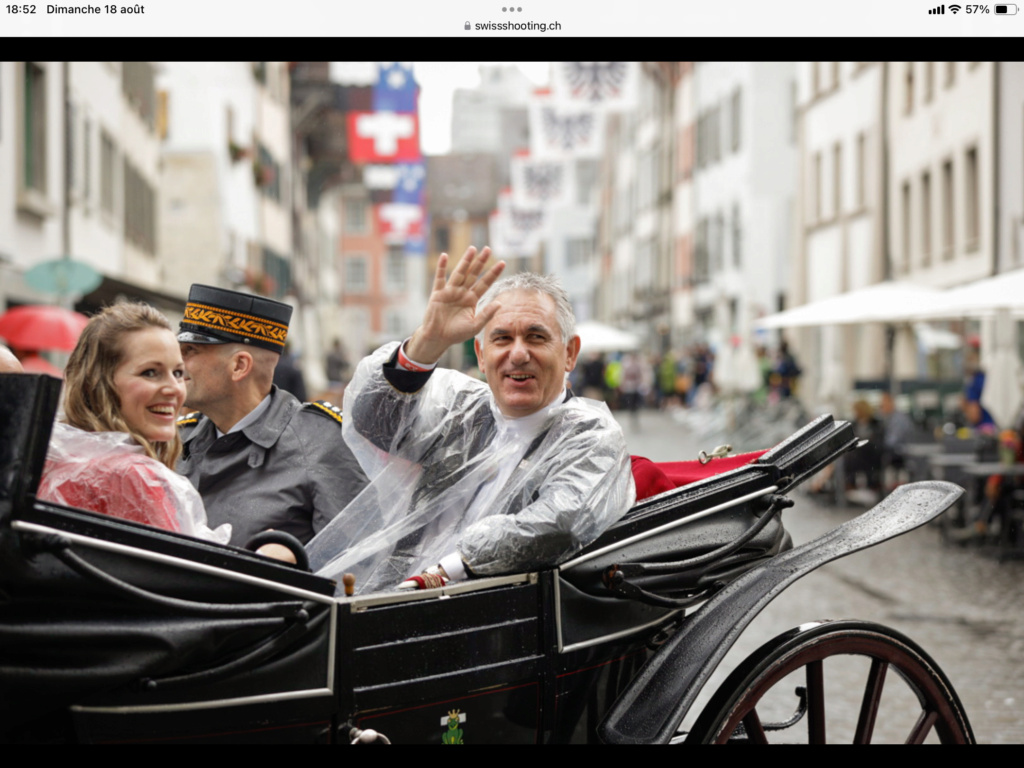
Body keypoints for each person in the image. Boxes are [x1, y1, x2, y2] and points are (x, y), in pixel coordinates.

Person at [306, 247, 635, 594]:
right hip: (387, 596)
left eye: (536, 337)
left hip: (491, 624)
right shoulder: (461, 409)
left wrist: (447, 569)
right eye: (502, 338)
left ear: (569, 353)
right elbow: (373, 420)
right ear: (481, 354)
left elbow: (561, 523)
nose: (518, 354)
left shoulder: (590, 435)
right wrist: (425, 345)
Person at [176, 284, 369, 548]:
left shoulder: (320, 441)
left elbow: (355, 565)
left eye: (190, 351)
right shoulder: (176, 438)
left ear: (239, 366)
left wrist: (293, 563)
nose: (177, 363)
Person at [35, 303, 231, 543]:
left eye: (178, 373)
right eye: (150, 372)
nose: (174, 389)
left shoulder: (46, 460)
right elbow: (186, 577)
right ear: (99, 384)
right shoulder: (134, 477)